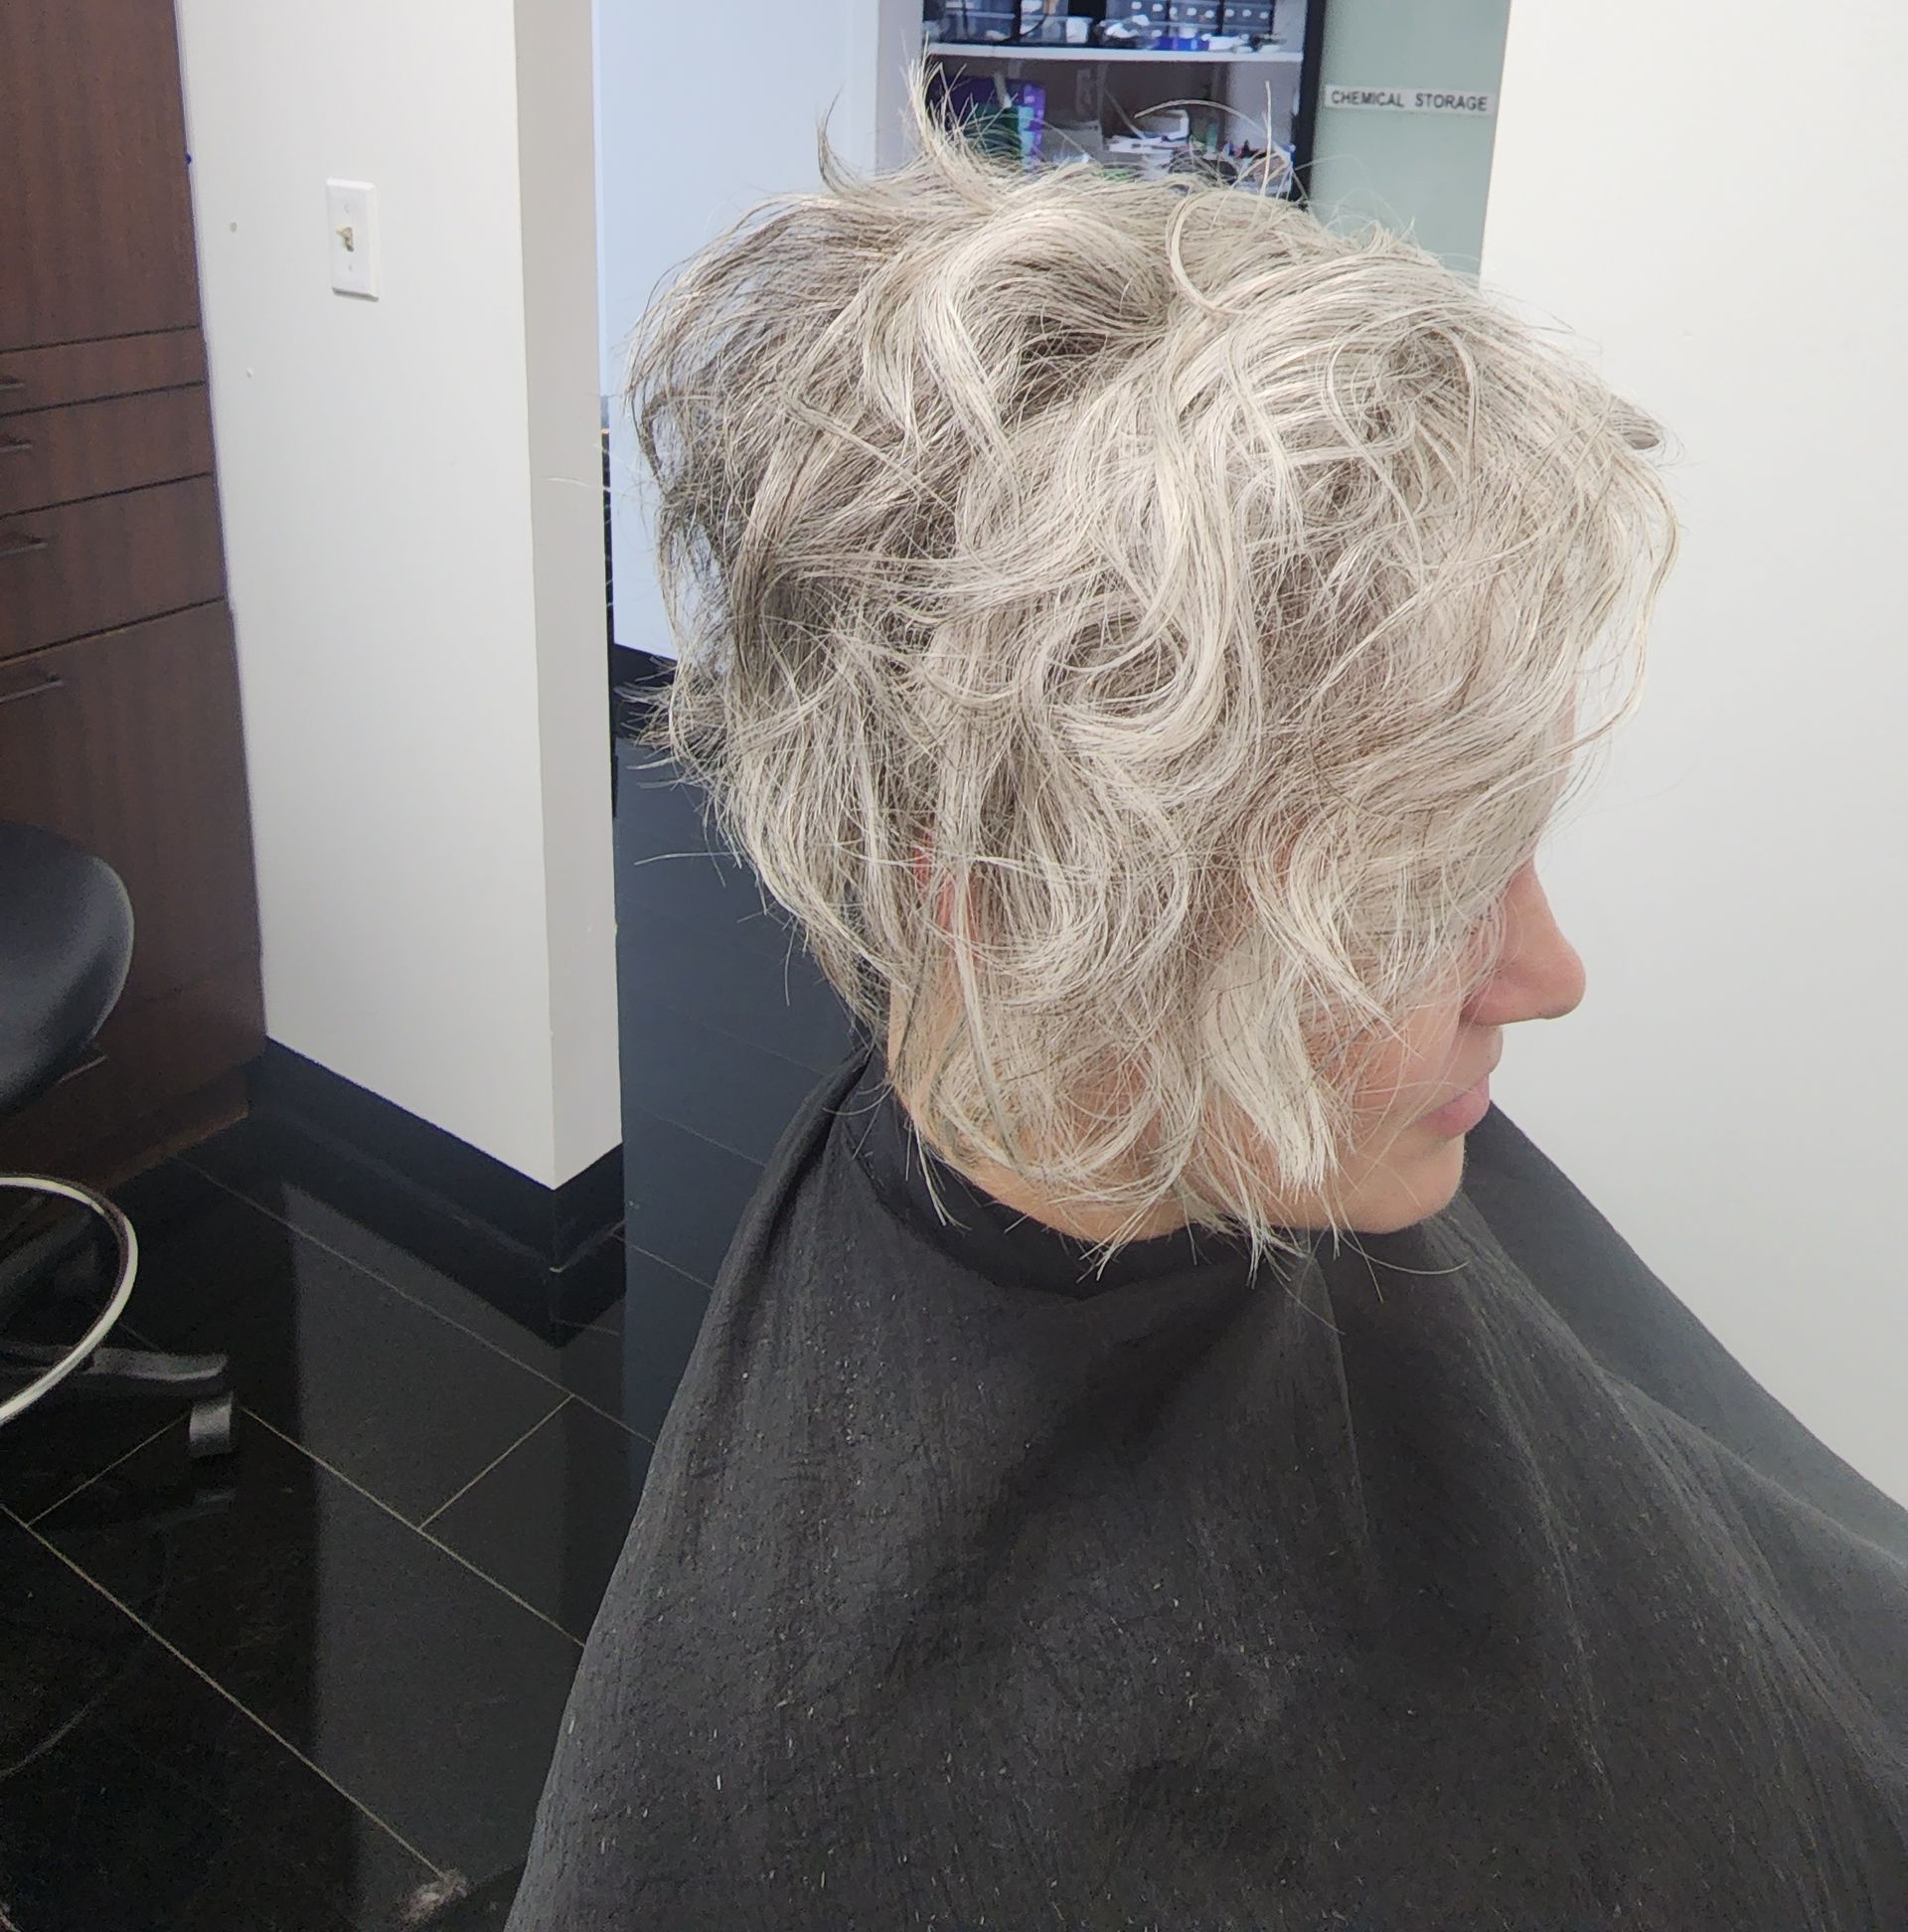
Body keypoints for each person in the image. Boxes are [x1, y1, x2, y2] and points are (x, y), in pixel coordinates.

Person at [509, 101, 1907, 1930]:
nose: (1549, 977)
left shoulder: (1283, 1119)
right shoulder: (803, 1798)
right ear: (1004, 908)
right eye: (1416, 894)